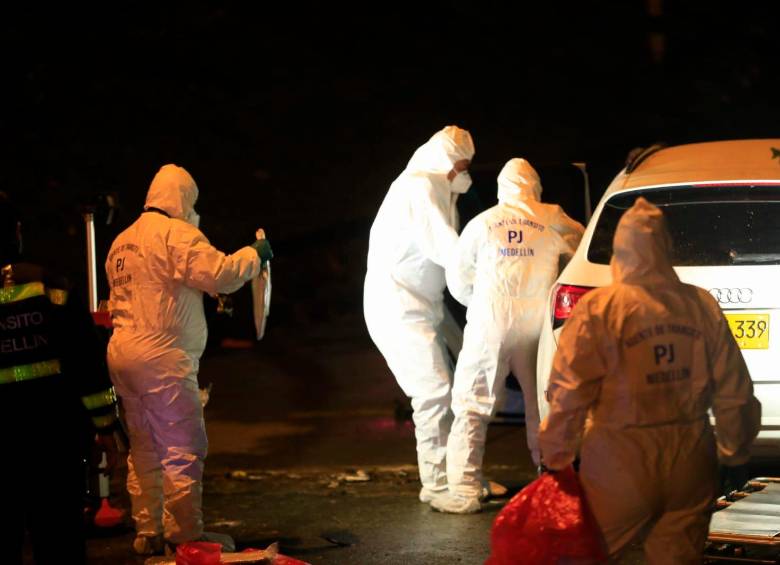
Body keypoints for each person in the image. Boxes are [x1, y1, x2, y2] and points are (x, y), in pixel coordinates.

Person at [538, 197, 761, 563]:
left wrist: (556, 454)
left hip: (619, 460)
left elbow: (569, 393)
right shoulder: (699, 305)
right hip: (690, 457)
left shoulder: (599, 310)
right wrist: (734, 452)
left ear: (620, 250)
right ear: (665, 248)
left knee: (588, 553)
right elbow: (735, 392)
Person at [105, 164, 273, 555]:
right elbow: (222, 272)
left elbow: (156, 288)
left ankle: (148, 531)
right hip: (163, 357)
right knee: (183, 446)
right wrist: (255, 253)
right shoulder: (176, 233)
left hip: (122, 356)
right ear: (182, 199)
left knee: (144, 448)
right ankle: (185, 537)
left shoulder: (122, 241)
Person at [430, 158, 584, 514]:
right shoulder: (553, 217)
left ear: (502, 187)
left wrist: (481, 304)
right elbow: (581, 247)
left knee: (472, 404)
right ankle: (551, 483)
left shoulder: (482, 223)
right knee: (542, 406)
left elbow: (457, 276)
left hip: (491, 322)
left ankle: (464, 490)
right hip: (535, 325)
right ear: (535, 186)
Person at [0, 191, 120, 565]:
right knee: (60, 540)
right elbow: (87, 365)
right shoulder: (53, 289)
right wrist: (106, 427)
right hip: (54, 443)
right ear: (16, 232)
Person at [363, 125, 475, 501]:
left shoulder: (441, 191)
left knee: (459, 385)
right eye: (458, 165)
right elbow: (447, 249)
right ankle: (438, 484)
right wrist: (484, 280)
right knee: (433, 390)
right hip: (398, 304)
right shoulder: (419, 186)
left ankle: (458, 476)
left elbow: (446, 263)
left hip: (426, 303)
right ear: (442, 159)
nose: (462, 172)